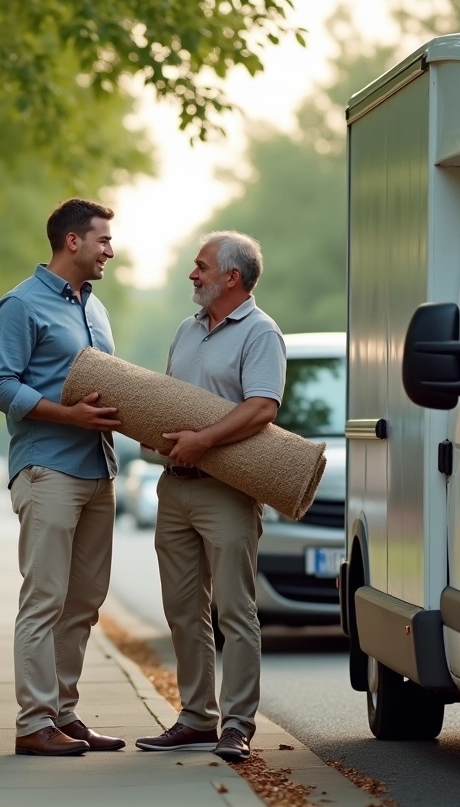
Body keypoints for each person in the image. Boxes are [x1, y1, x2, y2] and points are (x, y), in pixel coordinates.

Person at [135, 231, 286, 762]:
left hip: (227, 493)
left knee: (234, 612)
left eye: (201, 267)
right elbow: (173, 399)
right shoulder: (186, 329)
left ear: (232, 277)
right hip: (174, 490)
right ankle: (197, 718)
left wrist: (204, 441)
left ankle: (237, 726)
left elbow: (263, 406)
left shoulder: (261, 333)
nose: (192, 275)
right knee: (181, 610)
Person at [0, 198, 125, 757]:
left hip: (98, 468)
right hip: (48, 469)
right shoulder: (20, 305)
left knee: (85, 601)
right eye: (103, 240)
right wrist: (67, 415)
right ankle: (33, 722)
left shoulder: (96, 309)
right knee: (45, 597)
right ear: (72, 241)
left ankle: (64, 714)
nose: (110, 250)